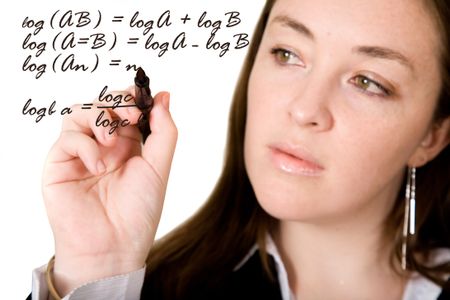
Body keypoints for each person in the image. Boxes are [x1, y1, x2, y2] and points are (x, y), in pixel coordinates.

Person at [28, 0, 450, 299]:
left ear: (432, 135)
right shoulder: (144, 291)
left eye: (368, 81)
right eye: (287, 53)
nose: (304, 109)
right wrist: (96, 267)